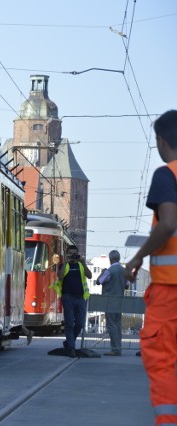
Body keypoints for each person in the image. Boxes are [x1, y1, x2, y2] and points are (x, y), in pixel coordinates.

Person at [125, 110, 177, 426]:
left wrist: (138, 256)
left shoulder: (167, 175)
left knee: (163, 363)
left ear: (161, 140)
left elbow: (168, 223)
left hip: (171, 291)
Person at [50, 244, 92, 357]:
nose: (73, 256)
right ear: (67, 255)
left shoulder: (81, 265)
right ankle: (72, 348)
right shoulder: (64, 265)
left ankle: (69, 342)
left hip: (80, 298)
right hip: (68, 297)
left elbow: (90, 276)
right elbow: (60, 276)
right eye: (71, 254)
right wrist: (67, 262)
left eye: (75, 254)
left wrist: (83, 263)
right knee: (69, 323)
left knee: (80, 323)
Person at [96, 250, 128, 356]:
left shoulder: (109, 271)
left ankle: (115, 349)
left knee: (111, 325)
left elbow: (98, 281)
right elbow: (127, 285)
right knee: (118, 324)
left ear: (110, 259)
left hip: (110, 301)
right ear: (119, 258)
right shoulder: (124, 271)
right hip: (120, 300)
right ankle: (118, 347)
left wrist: (102, 272)